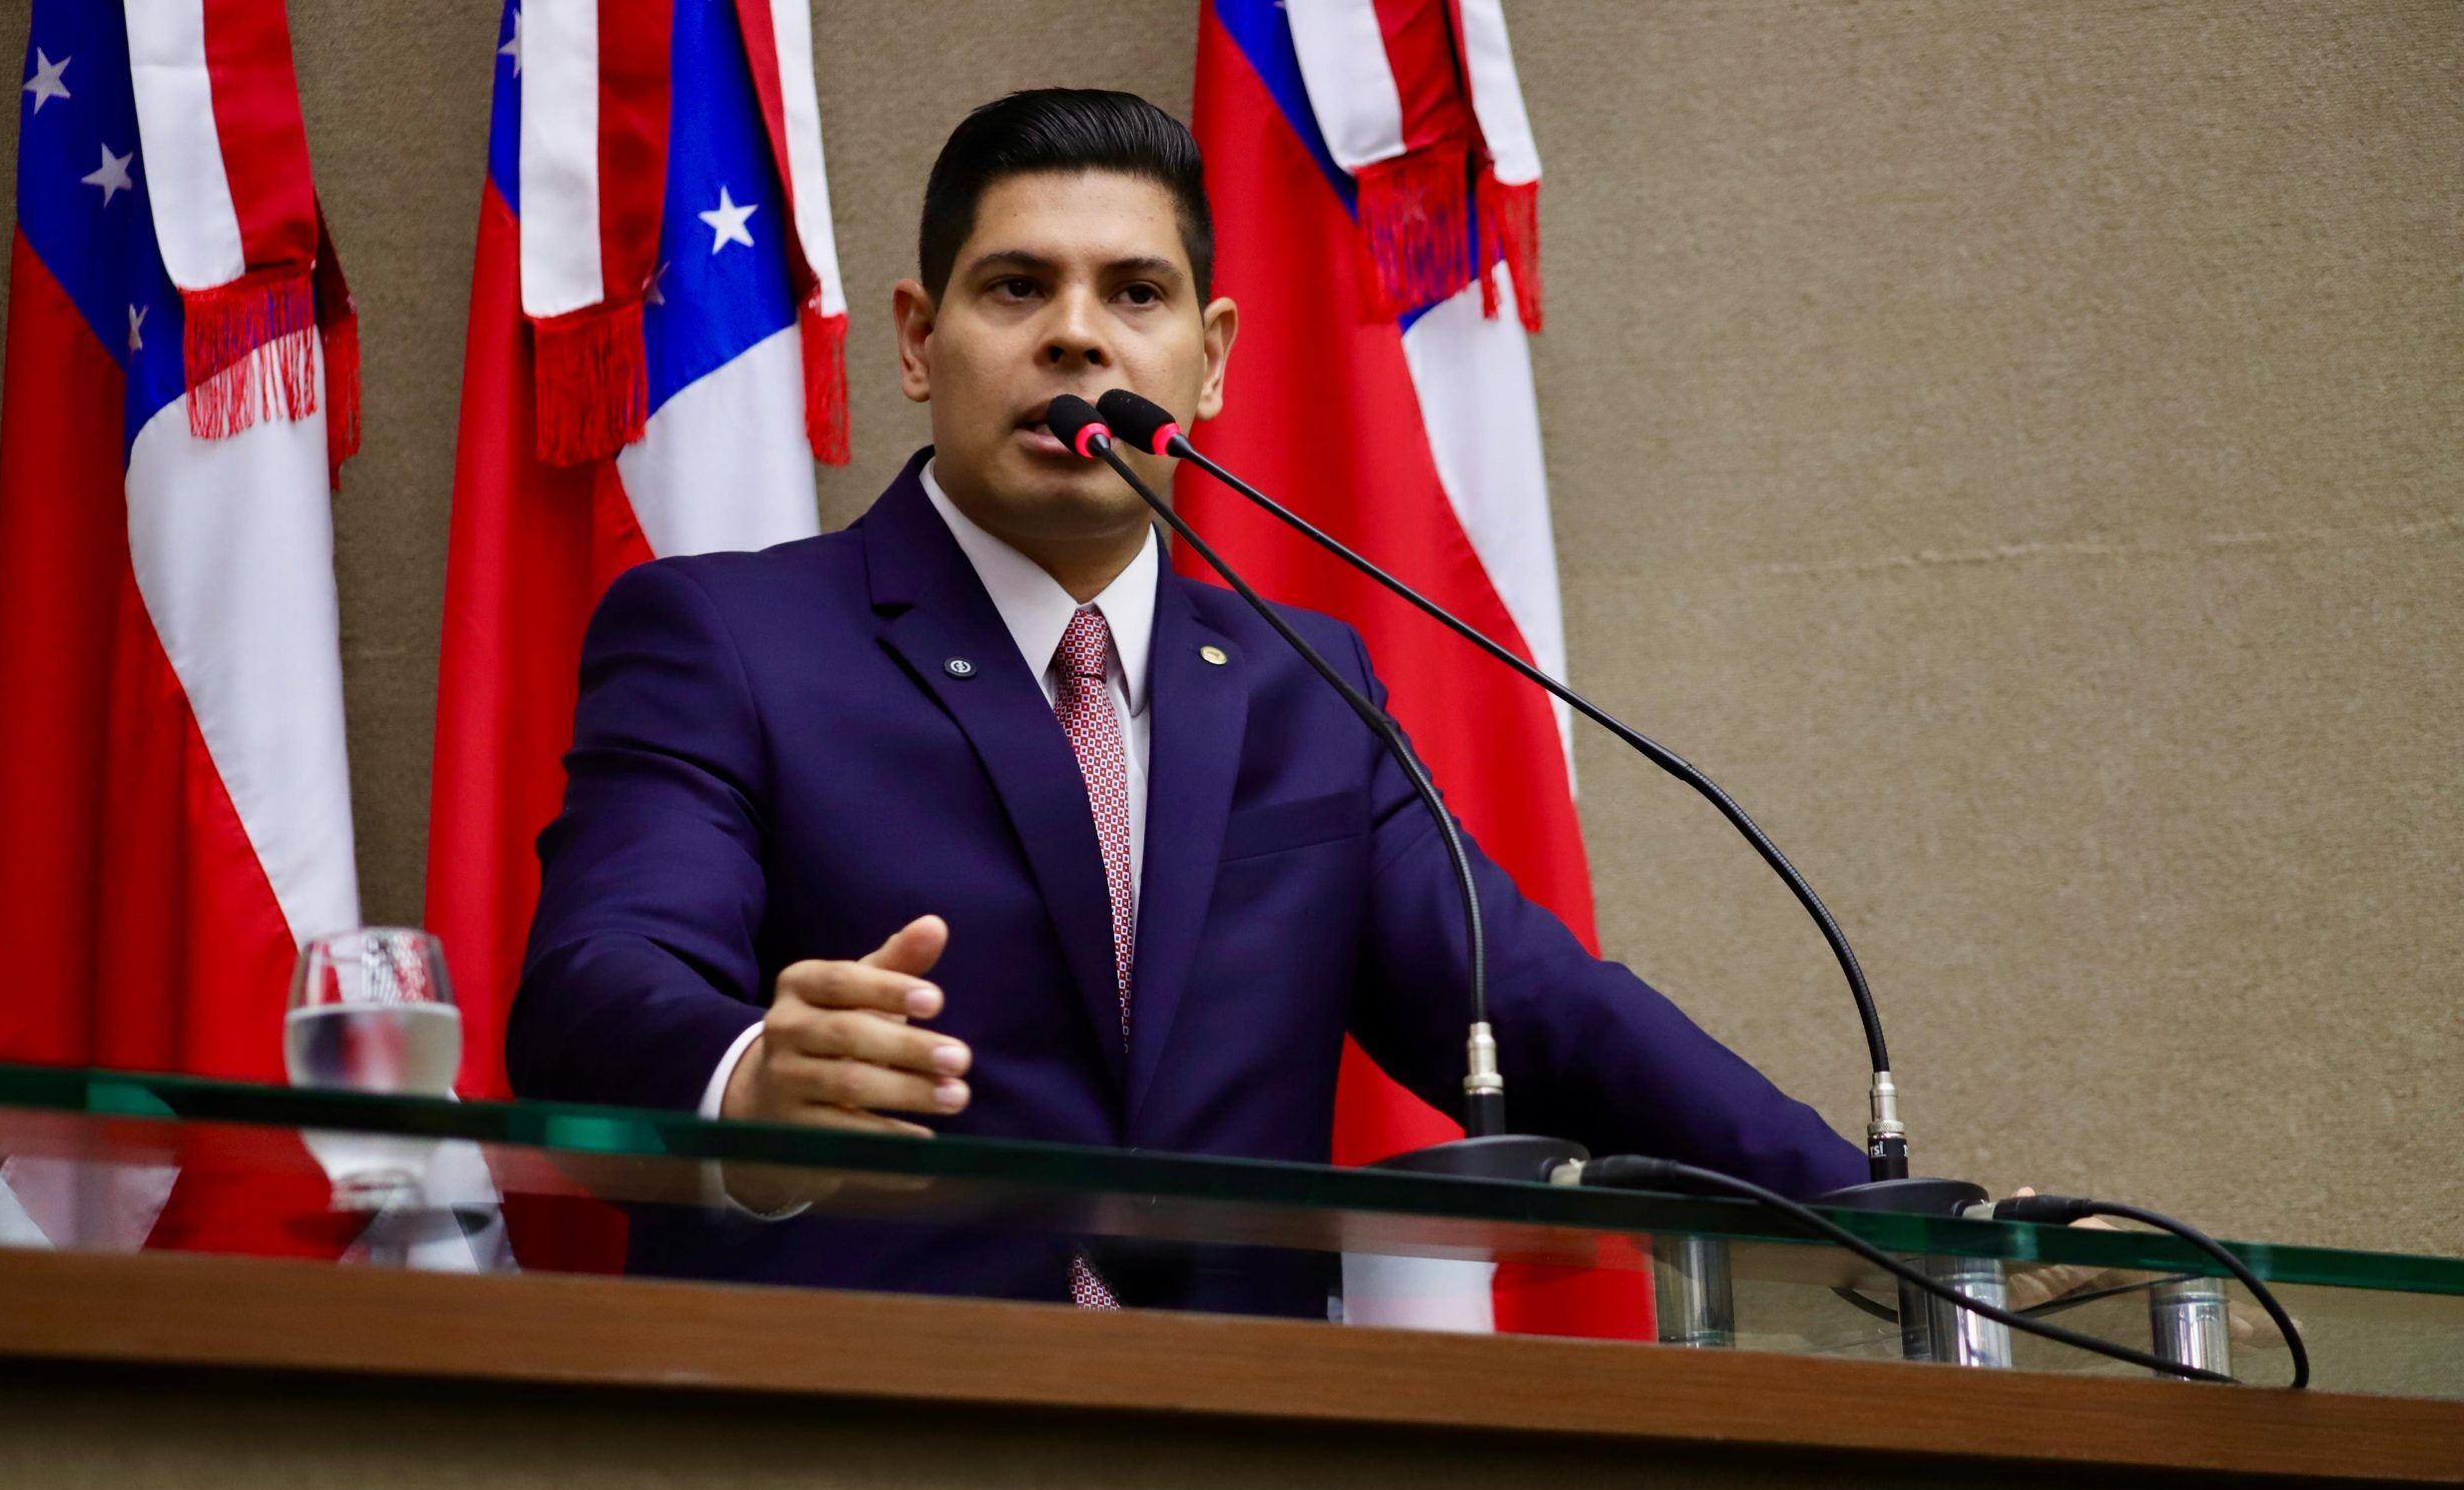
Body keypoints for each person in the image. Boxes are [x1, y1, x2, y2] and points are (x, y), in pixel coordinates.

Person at [506, 89, 1866, 1312]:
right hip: (868, 1463)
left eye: (1136, 294)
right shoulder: (730, 639)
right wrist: (746, 1078)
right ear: (918, 342)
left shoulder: (1302, 682)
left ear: (1210, 362)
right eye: (1018, 289)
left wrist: (1890, 1221)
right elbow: (593, 984)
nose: (1078, 335)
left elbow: (1546, 1011)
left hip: (1238, 1487)